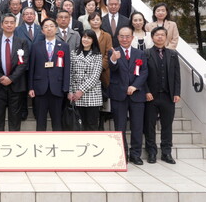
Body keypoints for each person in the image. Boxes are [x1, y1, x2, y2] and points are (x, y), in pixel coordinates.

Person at [108, 26, 148, 165]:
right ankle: (122, 154)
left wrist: (135, 86)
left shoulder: (140, 54)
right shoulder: (113, 52)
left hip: (137, 95)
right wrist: (113, 59)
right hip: (118, 95)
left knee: (137, 126)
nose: (124, 39)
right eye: (122, 36)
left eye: (127, 36)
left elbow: (144, 72)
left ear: (132, 37)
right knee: (120, 126)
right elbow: (112, 69)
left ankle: (135, 154)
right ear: (118, 37)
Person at [143, 27, 181, 164]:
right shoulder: (146, 53)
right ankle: (151, 152)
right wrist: (146, 91)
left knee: (167, 125)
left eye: (162, 35)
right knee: (149, 125)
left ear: (166, 37)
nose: (160, 37)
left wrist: (177, 92)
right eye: (157, 35)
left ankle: (166, 152)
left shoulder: (172, 54)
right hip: (151, 96)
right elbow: (142, 75)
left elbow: (177, 76)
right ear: (152, 37)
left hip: (168, 96)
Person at [0, 14, 29, 131]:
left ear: (15, 25)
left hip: (16, 85)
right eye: (6, 22)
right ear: (1, 25)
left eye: (12, 22)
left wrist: (11, 78)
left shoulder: (22, 42)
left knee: (15, 119)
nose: (9, 25)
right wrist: (1, 77)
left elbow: (24, 63)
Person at [28, 18, 71, 131]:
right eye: (46, 26)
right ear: (42, 31)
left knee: (57, 121)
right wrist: (31, 87)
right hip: (39, 88)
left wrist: (66, 88)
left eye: (51, 26)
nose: (49, 28)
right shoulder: (36, 46)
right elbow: (31, 67)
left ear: (56, 29)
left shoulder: (64, 46)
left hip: (57, 88)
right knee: (40, 121)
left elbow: (67, 69)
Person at [68, 30, 103, 130]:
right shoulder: (73, 53)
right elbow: (69, 73)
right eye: (84, 37)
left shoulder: (97, 55)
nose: (86, 40)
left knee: (92, 124)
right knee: (78, 125)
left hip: (92, 94)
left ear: (93, 40)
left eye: (89, 38)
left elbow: (95, 76)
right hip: (75, 95)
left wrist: (81, 90)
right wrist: (70, 91)